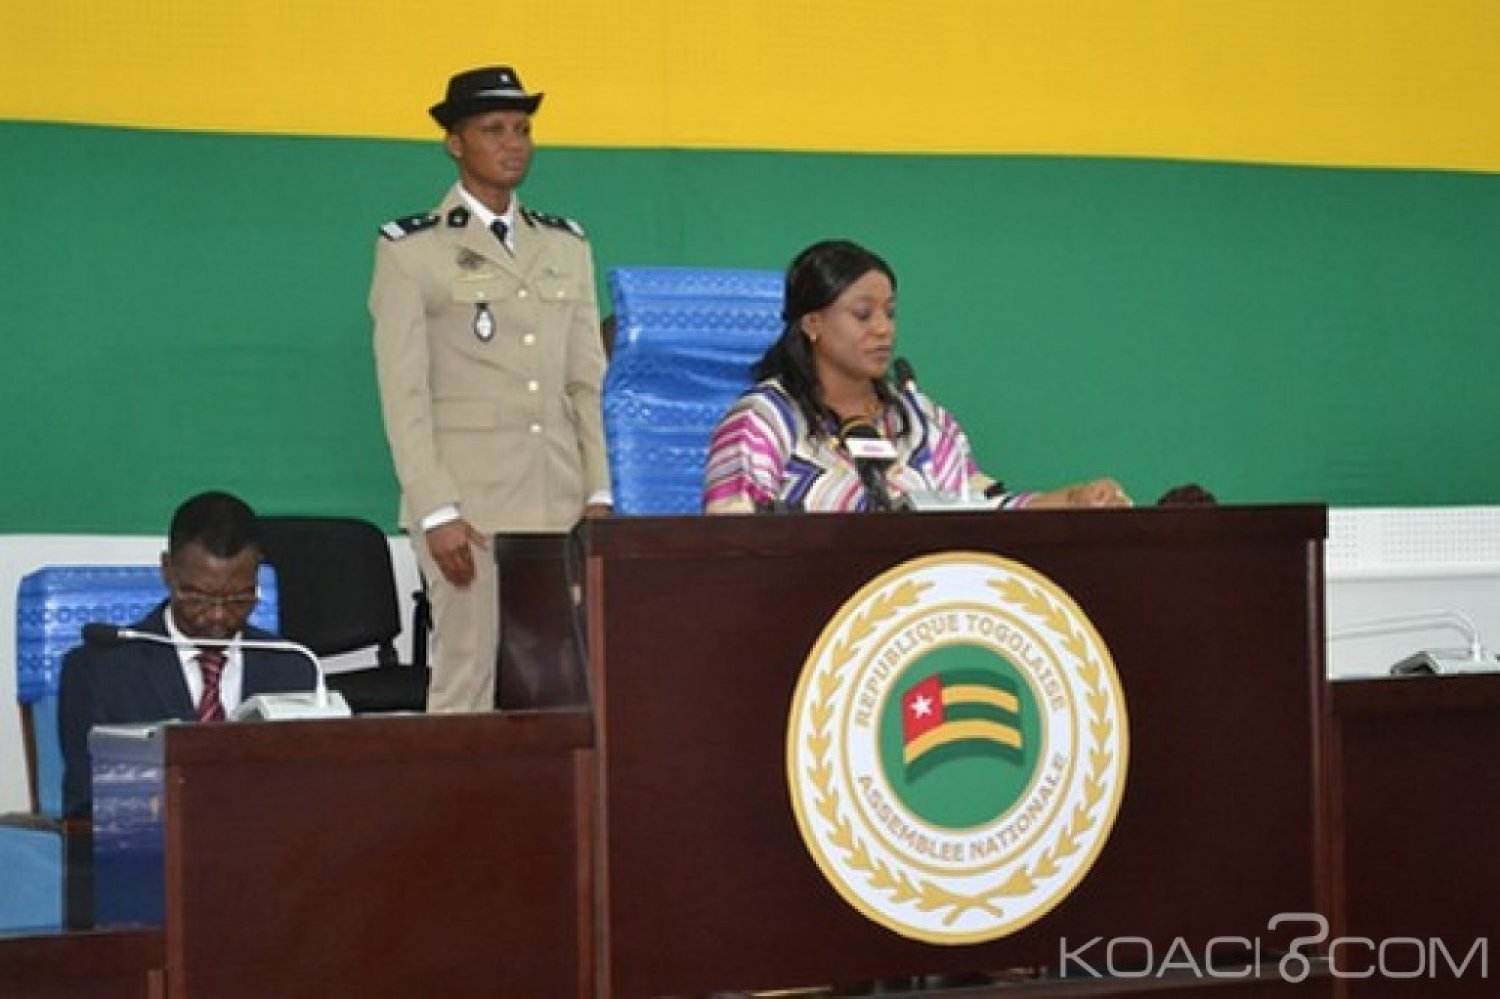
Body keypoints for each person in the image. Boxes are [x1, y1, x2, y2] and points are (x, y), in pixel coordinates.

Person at [370, 65, 610, 713]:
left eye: (524, 129)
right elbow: (404, 392)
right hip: (468, 508)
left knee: (568, 682)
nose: (514, 143)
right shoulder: (410, 250)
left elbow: (586, 378)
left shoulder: (566, 244)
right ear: (456, 142)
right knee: (466, 680)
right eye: (494, 129)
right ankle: (452, 812)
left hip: (558, 500)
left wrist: (598, 489)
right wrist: (436, 509)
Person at [703, 240, 1130, 514]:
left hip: (916, 631)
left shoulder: (921, 421)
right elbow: (731, 540)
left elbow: (980, 511)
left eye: (890, 313)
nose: (884, 328)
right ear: (813, 323)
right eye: (863, 314)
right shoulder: (763, 420)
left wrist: (1074, 500)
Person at [58, 491, 317, 817]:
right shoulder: (100, 671)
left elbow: (307, 795)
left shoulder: (292, 667)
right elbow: (85, 805)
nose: (218, 616)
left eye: (239, 598)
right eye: (199, 597)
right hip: (149, 856)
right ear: (168, 570)